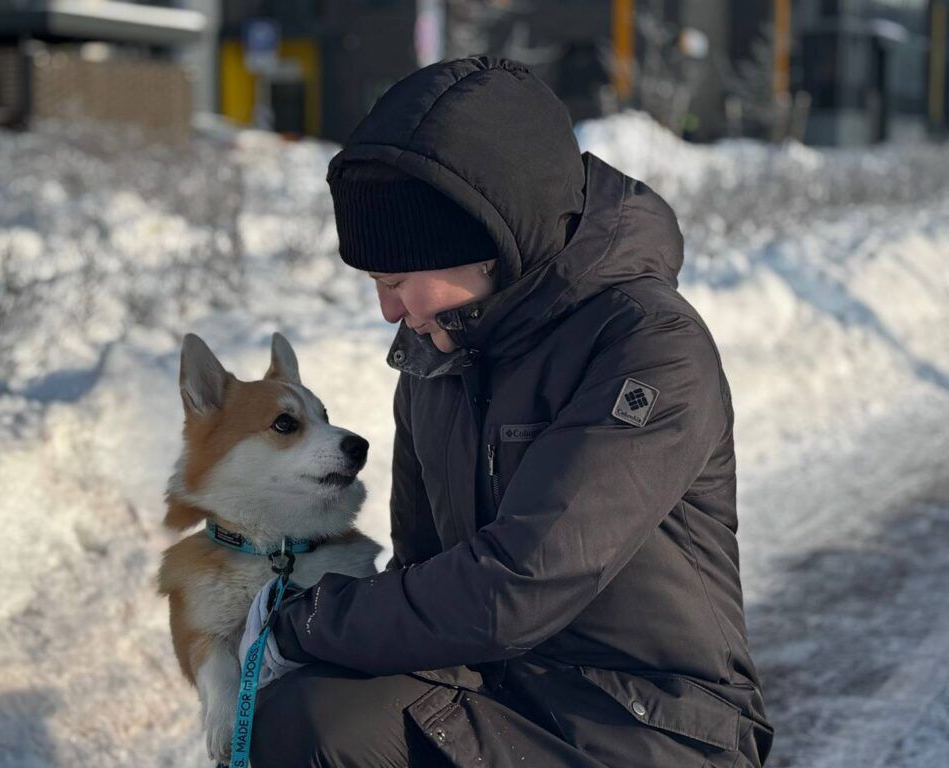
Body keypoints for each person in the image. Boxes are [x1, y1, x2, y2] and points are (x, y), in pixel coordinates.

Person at [247, 55, 774, 767]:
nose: (387, 309)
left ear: (490, 243)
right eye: (375, 281)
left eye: (399, 278)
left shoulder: (649, 348)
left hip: (648, 722)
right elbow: (426, 575)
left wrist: (300, 626)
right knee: (309, 718)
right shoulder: (438, 352)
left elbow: (513, 589)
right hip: (503, 687)